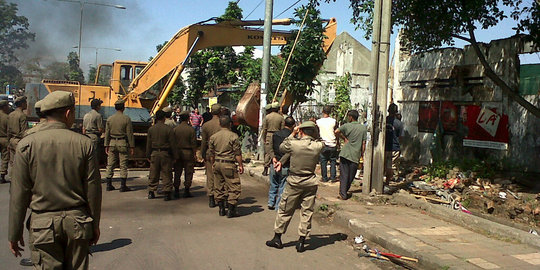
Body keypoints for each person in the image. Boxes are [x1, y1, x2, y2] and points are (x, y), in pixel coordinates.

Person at [8, 91, 102, 269]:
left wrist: (15, 232)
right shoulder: (84, 144)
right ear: (68, 113)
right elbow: (93, 190)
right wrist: (94, 225)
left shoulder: (26, 145)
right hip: (78, 224)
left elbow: (18, 194)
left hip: (42, 226)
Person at [265, 121, 324, 252]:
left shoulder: (293, 144)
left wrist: (293, 133)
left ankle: (277, 238)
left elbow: (281, 147)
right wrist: (315, 132)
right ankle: (302, 241)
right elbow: (322, 141)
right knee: (307, 212)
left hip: (294, 181)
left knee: (285, 209)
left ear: (301, 131)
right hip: (310, 181)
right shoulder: (317, 146)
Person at [208, 115, 244, 218]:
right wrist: (240, 164)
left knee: (218, 187)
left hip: (217, 163)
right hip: (229, 164)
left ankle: (221, 209)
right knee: (234, 187)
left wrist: (213, 164)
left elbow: (211, 153)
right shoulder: (233, 136)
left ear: (219, 124)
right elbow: (237, 153)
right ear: (230, 124)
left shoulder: (214, 137)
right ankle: (231, 210)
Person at [335, 110, 367, 200]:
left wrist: (344, 138)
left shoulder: (346, 126)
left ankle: (343, 193)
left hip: (345, 153)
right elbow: (363, 143)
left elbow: (336, 131)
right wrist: (362, 153)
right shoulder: (363, 128)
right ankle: (344, 192)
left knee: (344, 174)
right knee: (351, 175)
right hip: (355, 154)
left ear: (350, 117)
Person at [104, 99, 135, 192]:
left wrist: (106, 145)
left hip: (112, 143)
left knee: (110, 164)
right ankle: (123, 186)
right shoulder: (126, 119)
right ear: (123, 108)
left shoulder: (110, 119)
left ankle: (108, 185)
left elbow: (107, 133)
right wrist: (132, 146)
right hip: (122, 143)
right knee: (123, 164)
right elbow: (129, 133)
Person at [146, 110, 177, 201]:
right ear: (164, 118)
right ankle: (167, 192)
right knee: (166, 173)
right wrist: (175, 156)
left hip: (154, 153)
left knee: (153, 172)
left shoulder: (151, 129)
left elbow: (148, 144)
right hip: (165, 154)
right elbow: (173, 144)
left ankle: (151, 191)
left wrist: (148, 155)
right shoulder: (168, 129)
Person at [267, 116, 295, 210]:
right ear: (293, 125)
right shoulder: (292, 137)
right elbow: (289, 152)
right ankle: (278, 205)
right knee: (283, 186)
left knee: (273, 183)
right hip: (285, 165)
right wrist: (281, 162)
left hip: (274, 164)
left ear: (284, 123)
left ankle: (271, 202)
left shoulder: (275, 134)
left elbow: (269, 147)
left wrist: (273, 158)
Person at [200, 103, 222, 208]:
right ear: (220, 111)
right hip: (222, 153)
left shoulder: (206, 125)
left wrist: (202, 153)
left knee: (210, 175)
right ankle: (222, 198)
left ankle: (211, 198)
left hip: (210, 153)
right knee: (221, 177)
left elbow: (204, 142)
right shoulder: (224, 124)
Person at [173, 110, 196, 198]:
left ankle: (176, 190)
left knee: (177, 172)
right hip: (188, 152)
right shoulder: (191, 130)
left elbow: (173, 143)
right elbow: (194, 144)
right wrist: (194, 154)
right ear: (187, 119)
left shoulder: (175, 129)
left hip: (178, 152)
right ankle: (186, 190)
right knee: (188, 172)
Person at [7, 96, 28, 180]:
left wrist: (9, 142)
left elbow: (8, 130)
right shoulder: (22, 115)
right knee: (21, 162)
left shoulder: (11, 114)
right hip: (19, 141)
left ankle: (12, 178)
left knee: (12, 162)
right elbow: (24, 131)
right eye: (25, 103)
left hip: (12, 140)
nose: (26, 104)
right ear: (22, 104)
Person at [316, 105, 338, 182]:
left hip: (323, 144)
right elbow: (336, 132)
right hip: (333, 143)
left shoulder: (318, 122)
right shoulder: (334, 121)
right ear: (330, 112)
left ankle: (324, 178)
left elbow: (317, 133)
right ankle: (333, 177)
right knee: (333, 161)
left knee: (323, 161)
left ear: (323, 111)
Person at [262, 102, 284, 176]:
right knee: (277, 151)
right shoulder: (281, 117)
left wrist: (264, 138)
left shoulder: (267, 117)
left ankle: (265, 169)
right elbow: (282, 129)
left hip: (269, 134)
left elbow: (264, 129)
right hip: (277, 135)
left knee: (268, 152)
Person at [385, 103, 404, 182]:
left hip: (384, 147)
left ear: (388, 111)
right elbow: (401, 137)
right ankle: (392, 179)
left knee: (385, 164)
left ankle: (386, 179)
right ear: (396, 112)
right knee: (393, 165)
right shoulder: (399, 123)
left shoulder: (383, 121)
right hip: (395, 148)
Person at [0, 100, 10, 184]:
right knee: (5, 157)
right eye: (7, 106)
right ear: (4, 107)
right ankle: (2, 175)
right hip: (4, 139)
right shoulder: (7, 117)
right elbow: (9, 130)